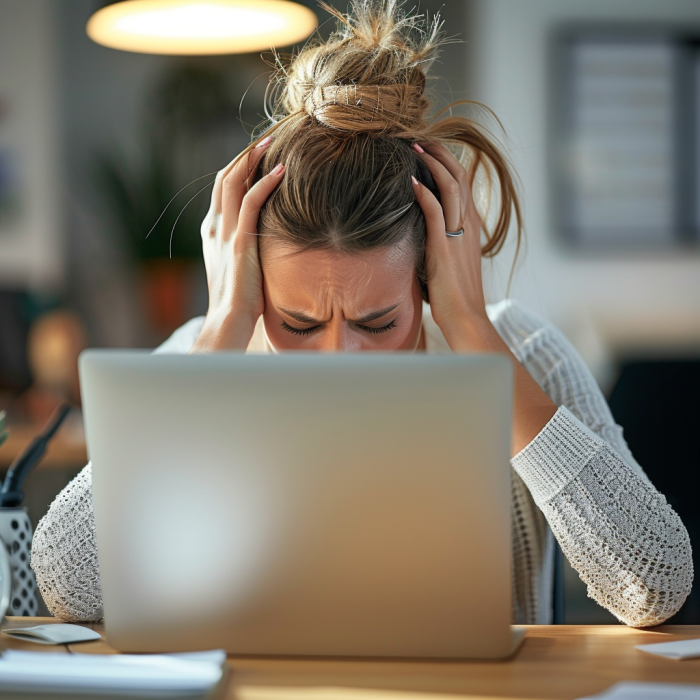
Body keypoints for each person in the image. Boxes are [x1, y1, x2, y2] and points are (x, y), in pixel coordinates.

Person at [31, 0, 692, 627]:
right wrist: (220, 333)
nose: (335, 357)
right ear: (252, 283)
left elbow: (655, 582)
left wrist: (473, 333)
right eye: (298, 324)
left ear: (432, 274)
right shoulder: (204, 359)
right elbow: (65, 585)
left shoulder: (522, 351)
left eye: (377, 322)